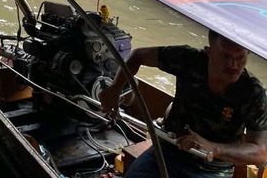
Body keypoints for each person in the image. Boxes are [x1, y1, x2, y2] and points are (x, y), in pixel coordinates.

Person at [99, 31, 267, 177]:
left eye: (240, 58)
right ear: (208, 52)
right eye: (226, 57)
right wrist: (115, 88)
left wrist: (213, 148)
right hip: (167, 151)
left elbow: (260, 153)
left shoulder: (253, 93)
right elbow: (138, 55)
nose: (234, 65)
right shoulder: (189, 60)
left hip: (211, 169)